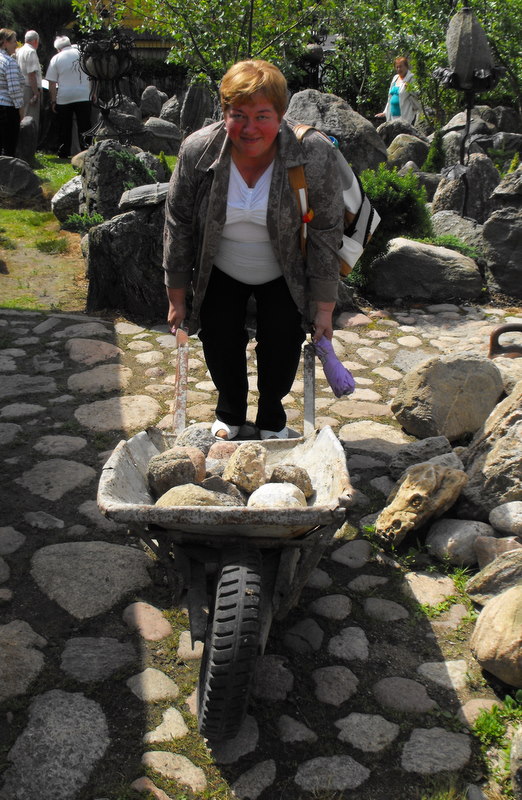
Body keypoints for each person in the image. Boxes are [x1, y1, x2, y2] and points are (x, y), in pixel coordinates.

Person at [163, 59, 343, 441]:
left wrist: (325, 306)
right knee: (219, 337)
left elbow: (326, 229)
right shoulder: (198, 151)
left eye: (262, 116)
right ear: (224, 112)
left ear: (281, 114)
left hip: (284, 269)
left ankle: (272, 417)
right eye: (238, 115)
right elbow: (178, 221)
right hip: (221, 266)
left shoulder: (312, 153)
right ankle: (229, 410)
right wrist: (176, 295)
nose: (249, 128)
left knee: (283, 340)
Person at [45, 35, 91, 158]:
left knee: (65, 126)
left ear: (58, 49)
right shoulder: (82, 55)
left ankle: (64, 151)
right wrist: (93, 93)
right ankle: (87, 149)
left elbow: (52, 83)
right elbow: (91, 75)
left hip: (64, 97)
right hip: (83, 94)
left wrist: (53, 101)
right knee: (84, 125)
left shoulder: (56, 58)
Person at [375, 56, 421, 125]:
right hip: (392, 116)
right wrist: (385, 112)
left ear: (406, 67)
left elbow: (418, 94)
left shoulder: (411, 78)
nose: (399, 69)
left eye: (401, 66)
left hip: (405, 115)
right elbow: (390, 97)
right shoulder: (395, 78)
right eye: (397, 67)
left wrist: (410, 88)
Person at [0, 29, 24, 157]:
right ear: (5, 43)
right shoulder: (9, 62)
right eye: (14, 41)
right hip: (7, 108)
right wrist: (20, 108)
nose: (16, 44)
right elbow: (14, 89)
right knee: (9, 146)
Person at [15, 30, 42, 129]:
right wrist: (36, 93)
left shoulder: (19, 51)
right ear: (35, 41)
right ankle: (30, 139)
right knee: (31, 119)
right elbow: (31, 74)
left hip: (21, 87)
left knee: (23, 117)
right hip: (30, 89)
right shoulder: (31, 51)